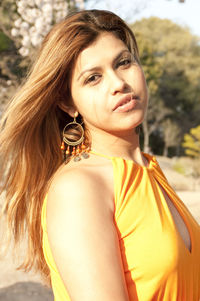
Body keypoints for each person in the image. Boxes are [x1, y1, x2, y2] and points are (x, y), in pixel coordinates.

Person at [0, 9, 200, 301]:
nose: (119, 83)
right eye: (93, 78)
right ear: (69, 104)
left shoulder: (148, 170)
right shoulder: (79, 188)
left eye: (124, 62)